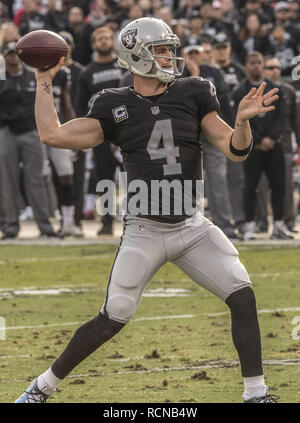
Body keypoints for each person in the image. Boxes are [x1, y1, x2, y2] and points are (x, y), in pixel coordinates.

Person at [15, 17, 279, 403]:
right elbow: (52, 134)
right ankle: (41, 387)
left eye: (170, 49)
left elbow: (235, 150)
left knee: (242, 295)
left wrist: (241, 122)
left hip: (191, 227)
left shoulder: (194, 91)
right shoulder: (113, 104)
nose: (170, 56)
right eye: (161, 50)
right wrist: (44, 78)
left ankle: (256, 393)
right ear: (136, 56)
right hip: (145, 229)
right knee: (113, 317)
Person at [0, 41, 57, 239]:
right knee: (8, 181)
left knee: (36, 180)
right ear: (4, 56)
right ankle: (10, 227)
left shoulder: (32, 75)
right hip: (7, 132)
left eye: (15, 53)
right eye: (9, 53)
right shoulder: (1, 79)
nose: (13, 57)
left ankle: (45, 226)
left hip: (32, 131)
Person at [232, 51, 290, 241]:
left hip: (274, 145)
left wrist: (271, 138)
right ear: (246, 65)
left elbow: (283, 117)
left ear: (263, 66)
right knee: (250, 186)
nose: (256, 66)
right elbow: (238, 120)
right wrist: (257, 140)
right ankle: (249, 225)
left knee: (278, 186)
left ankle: (279, 225)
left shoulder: (276, 89)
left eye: (259, 62)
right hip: (252, 148)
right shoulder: (239, 91)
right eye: (252, 62)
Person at [76, 25, 124, 235]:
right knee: (104, 179)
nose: (103, 41)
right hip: (101, 133)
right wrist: (84, 138)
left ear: (112, 42)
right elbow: (81, 108)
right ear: (93, 45)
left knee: (131, 176)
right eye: (99, 39)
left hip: (127, 130)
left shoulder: (124, 66)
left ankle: (136, 219)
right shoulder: (87, 74)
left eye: (107, 38)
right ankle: (106, 221)